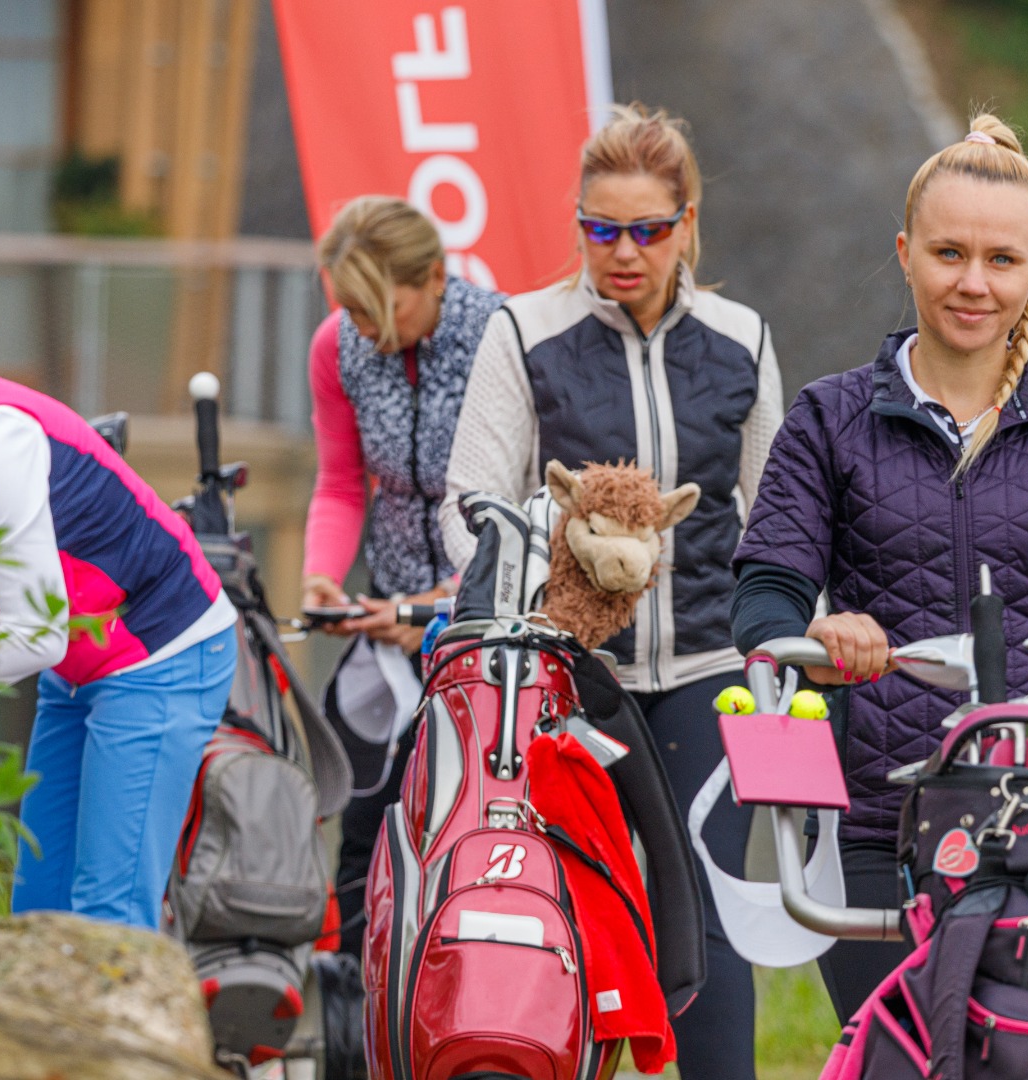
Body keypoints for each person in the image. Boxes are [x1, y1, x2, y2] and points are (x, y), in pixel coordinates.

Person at [730, 114, 1028, 1021]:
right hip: (871, 829)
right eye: (949, 253)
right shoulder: (827, 420)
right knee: (898, 1057)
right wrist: (813, 632)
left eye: (1001, 260)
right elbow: (762, 599)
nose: (973, 283)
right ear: (905, 254)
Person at [440, 104, 783, 1080]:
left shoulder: (742, 338)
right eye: (601, 228)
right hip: (566, 679)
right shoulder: (524, 330)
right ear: (579, 224)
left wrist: (776, 645)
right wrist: (556, 560)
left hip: (709, 670)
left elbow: (778, 516)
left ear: (687, 223)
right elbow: (468, 503)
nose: (624, 251)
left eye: (648, 229)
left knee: (709, 910)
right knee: (561, 906)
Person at [0, 328, 237, 930]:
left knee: (107, 918)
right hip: (76, 662)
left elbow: (37, 631)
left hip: (161, 646)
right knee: (40, 910)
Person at [301, 194, 504, 957]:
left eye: (376, 309)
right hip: (386, 626)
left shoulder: (500, 336)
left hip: (482, 621)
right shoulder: (339, 346)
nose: (360, 327)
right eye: (348, 308)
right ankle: (351, 996)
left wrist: (435, 606)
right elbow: (341, 482)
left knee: (461, 830)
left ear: (434, 279)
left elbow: (517, 502)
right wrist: (321, 577)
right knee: (365, 826)